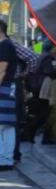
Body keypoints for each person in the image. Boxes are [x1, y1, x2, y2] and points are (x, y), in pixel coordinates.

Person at [0, 21, 18, 170]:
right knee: (4, 126)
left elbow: (2, 70)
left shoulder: (5, 45)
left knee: (5, 126)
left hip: (4, 88)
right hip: (6, 87)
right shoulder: (6, 44)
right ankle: (4, 159)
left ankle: (6, 160)